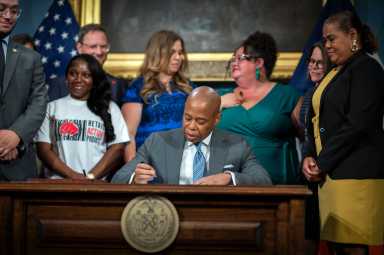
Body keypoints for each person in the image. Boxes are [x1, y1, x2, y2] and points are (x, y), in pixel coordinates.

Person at [302, 11, 384, 255]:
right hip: (331, 175)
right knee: (338, 247)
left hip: (355, 175)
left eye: (331, 39)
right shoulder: (337, 71)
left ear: (352, 35)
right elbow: (314, 119)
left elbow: (357, 125)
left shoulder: (367, 69)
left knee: (351, 248)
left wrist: (322, 162)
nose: (326, 45)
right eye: (324, 40)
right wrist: (308, 155)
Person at [112, 86, 271, 185]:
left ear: (216, 119)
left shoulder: (237, 145)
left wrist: (230, 178)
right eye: (187, 118)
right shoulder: (158, 142)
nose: (191, 126)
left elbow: (264, 180)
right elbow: (119, 178)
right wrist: (135, 178)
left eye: (200, 121)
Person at [217, 31, 303, 185]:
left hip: (276, 187)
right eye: (233, 59)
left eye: (240, 58)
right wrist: (219, 103)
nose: (233, 63)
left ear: (259, 63)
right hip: (227, 185)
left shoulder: (287, 96)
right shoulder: (219, 96)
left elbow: (308, 138)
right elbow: (192, 128)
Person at [35, 54, 129, 180]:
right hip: (58, 185)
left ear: (94, 80)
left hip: (96, 185)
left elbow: (117, 148)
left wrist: (90, 177)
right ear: (66, 77)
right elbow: (44, 150)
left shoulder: (110, 108)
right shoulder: (51, 108)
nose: (78, 79)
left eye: (86, 75)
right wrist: (74, 176)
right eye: (73, 73)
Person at [121, 30, 194, 162]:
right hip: (148, 161)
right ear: (157, 53)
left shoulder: (188, 87)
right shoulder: (139, 87)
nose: (178, 57)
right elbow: (128, 134)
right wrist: (132, 173)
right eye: (172, 52)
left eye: (180, 52)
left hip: (182, 160)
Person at [0, 0, 47, 181]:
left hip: (17, 166)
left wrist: (16, 136)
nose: (8, 16)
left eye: (14, 11)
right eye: (1, 9)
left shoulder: (31, 58)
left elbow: (38, 102)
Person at [48, 24, 127, 107]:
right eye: (93, 46)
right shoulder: (60, 84)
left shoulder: (118, 85)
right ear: (79, 48)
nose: (99, 52)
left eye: (103, 46)